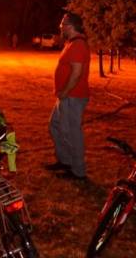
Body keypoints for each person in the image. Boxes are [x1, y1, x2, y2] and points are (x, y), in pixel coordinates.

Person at [45, 12, 90, 180]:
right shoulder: (71, 43)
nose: (60, 27)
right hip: (66, 96)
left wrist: (64, 92)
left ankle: (78, 171)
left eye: (62, 24)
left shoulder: (78, 45)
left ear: (70, 26)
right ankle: (65, 161)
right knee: (55, 126)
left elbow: (77, 73)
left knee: (71, 133)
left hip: (73, 97)